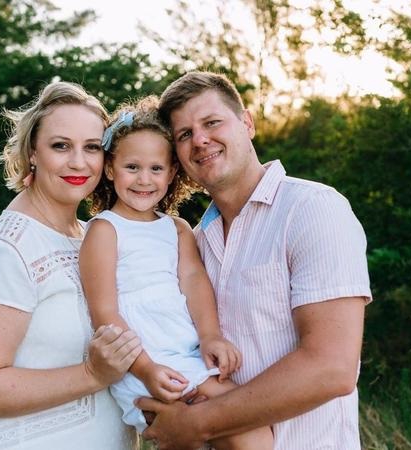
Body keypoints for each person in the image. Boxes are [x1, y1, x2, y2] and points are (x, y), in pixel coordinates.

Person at [137, 71, 373, 449]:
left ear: (247, 123)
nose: (200, 140)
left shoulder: (312, 209)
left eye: (212, 122)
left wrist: (196, 424)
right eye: (184, 135)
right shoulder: (192, 245)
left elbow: (331, 368)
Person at [0, 81, 144, 450]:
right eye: (61, 146)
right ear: (32, 153)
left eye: (92, 147)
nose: (78, 162)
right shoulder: (7, 249)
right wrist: (91, 374)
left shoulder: (95, 236)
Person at [79, 96, 274, 450]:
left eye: (156, 169)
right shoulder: (105, 230)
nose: (144, 179)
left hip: (185, 353)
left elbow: (195, 284)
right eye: (132, 167)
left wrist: (212, 336)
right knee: (249, 436)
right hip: (144, 362)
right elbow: (104, 315)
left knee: (245, 432)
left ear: (172, 173)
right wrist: (146, 369)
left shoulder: (178, 229)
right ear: (110, 169)